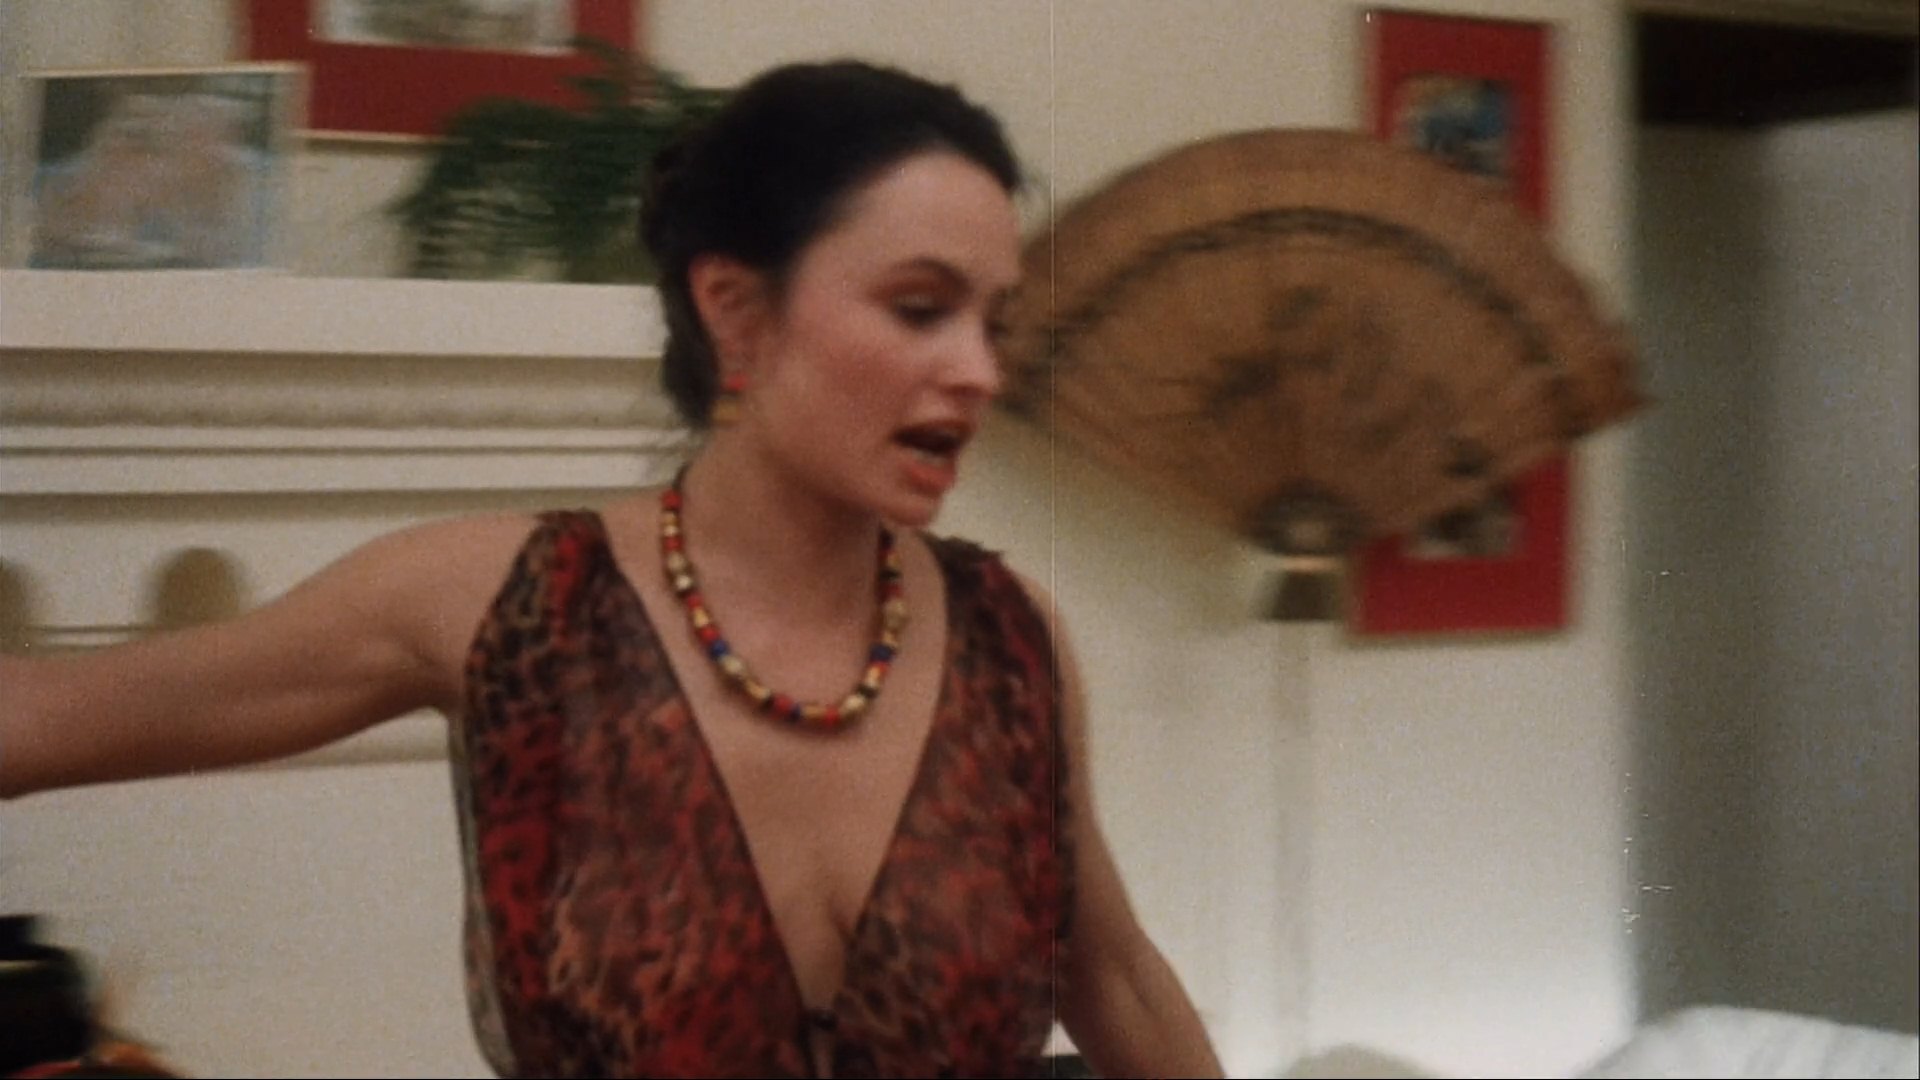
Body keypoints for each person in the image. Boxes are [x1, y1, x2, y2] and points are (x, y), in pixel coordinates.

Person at [0, 60, 1224, 1079]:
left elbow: (1114, 977)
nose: (980, 372)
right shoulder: (506, 604)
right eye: (920, 309)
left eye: (993, 323)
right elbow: (44, 720)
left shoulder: (1008, 636)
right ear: (735, 311)